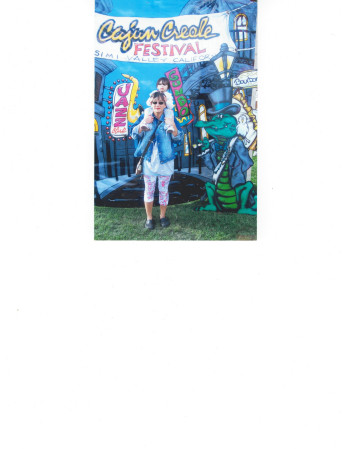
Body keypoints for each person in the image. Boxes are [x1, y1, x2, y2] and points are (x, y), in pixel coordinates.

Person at [132, 91, 183, 230]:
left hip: (165, 161)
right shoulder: (145, 116)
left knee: (163, 190)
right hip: (149, 161)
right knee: (148, 191)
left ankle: (162, 216)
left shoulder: (171, 117)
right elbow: (133, 133)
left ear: (165, 104)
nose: (158, 105)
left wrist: (173, 127)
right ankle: (149, 218)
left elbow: (179, 137)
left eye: (161, 102)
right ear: (151, 103)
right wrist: (141, 126)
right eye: (155, 102)